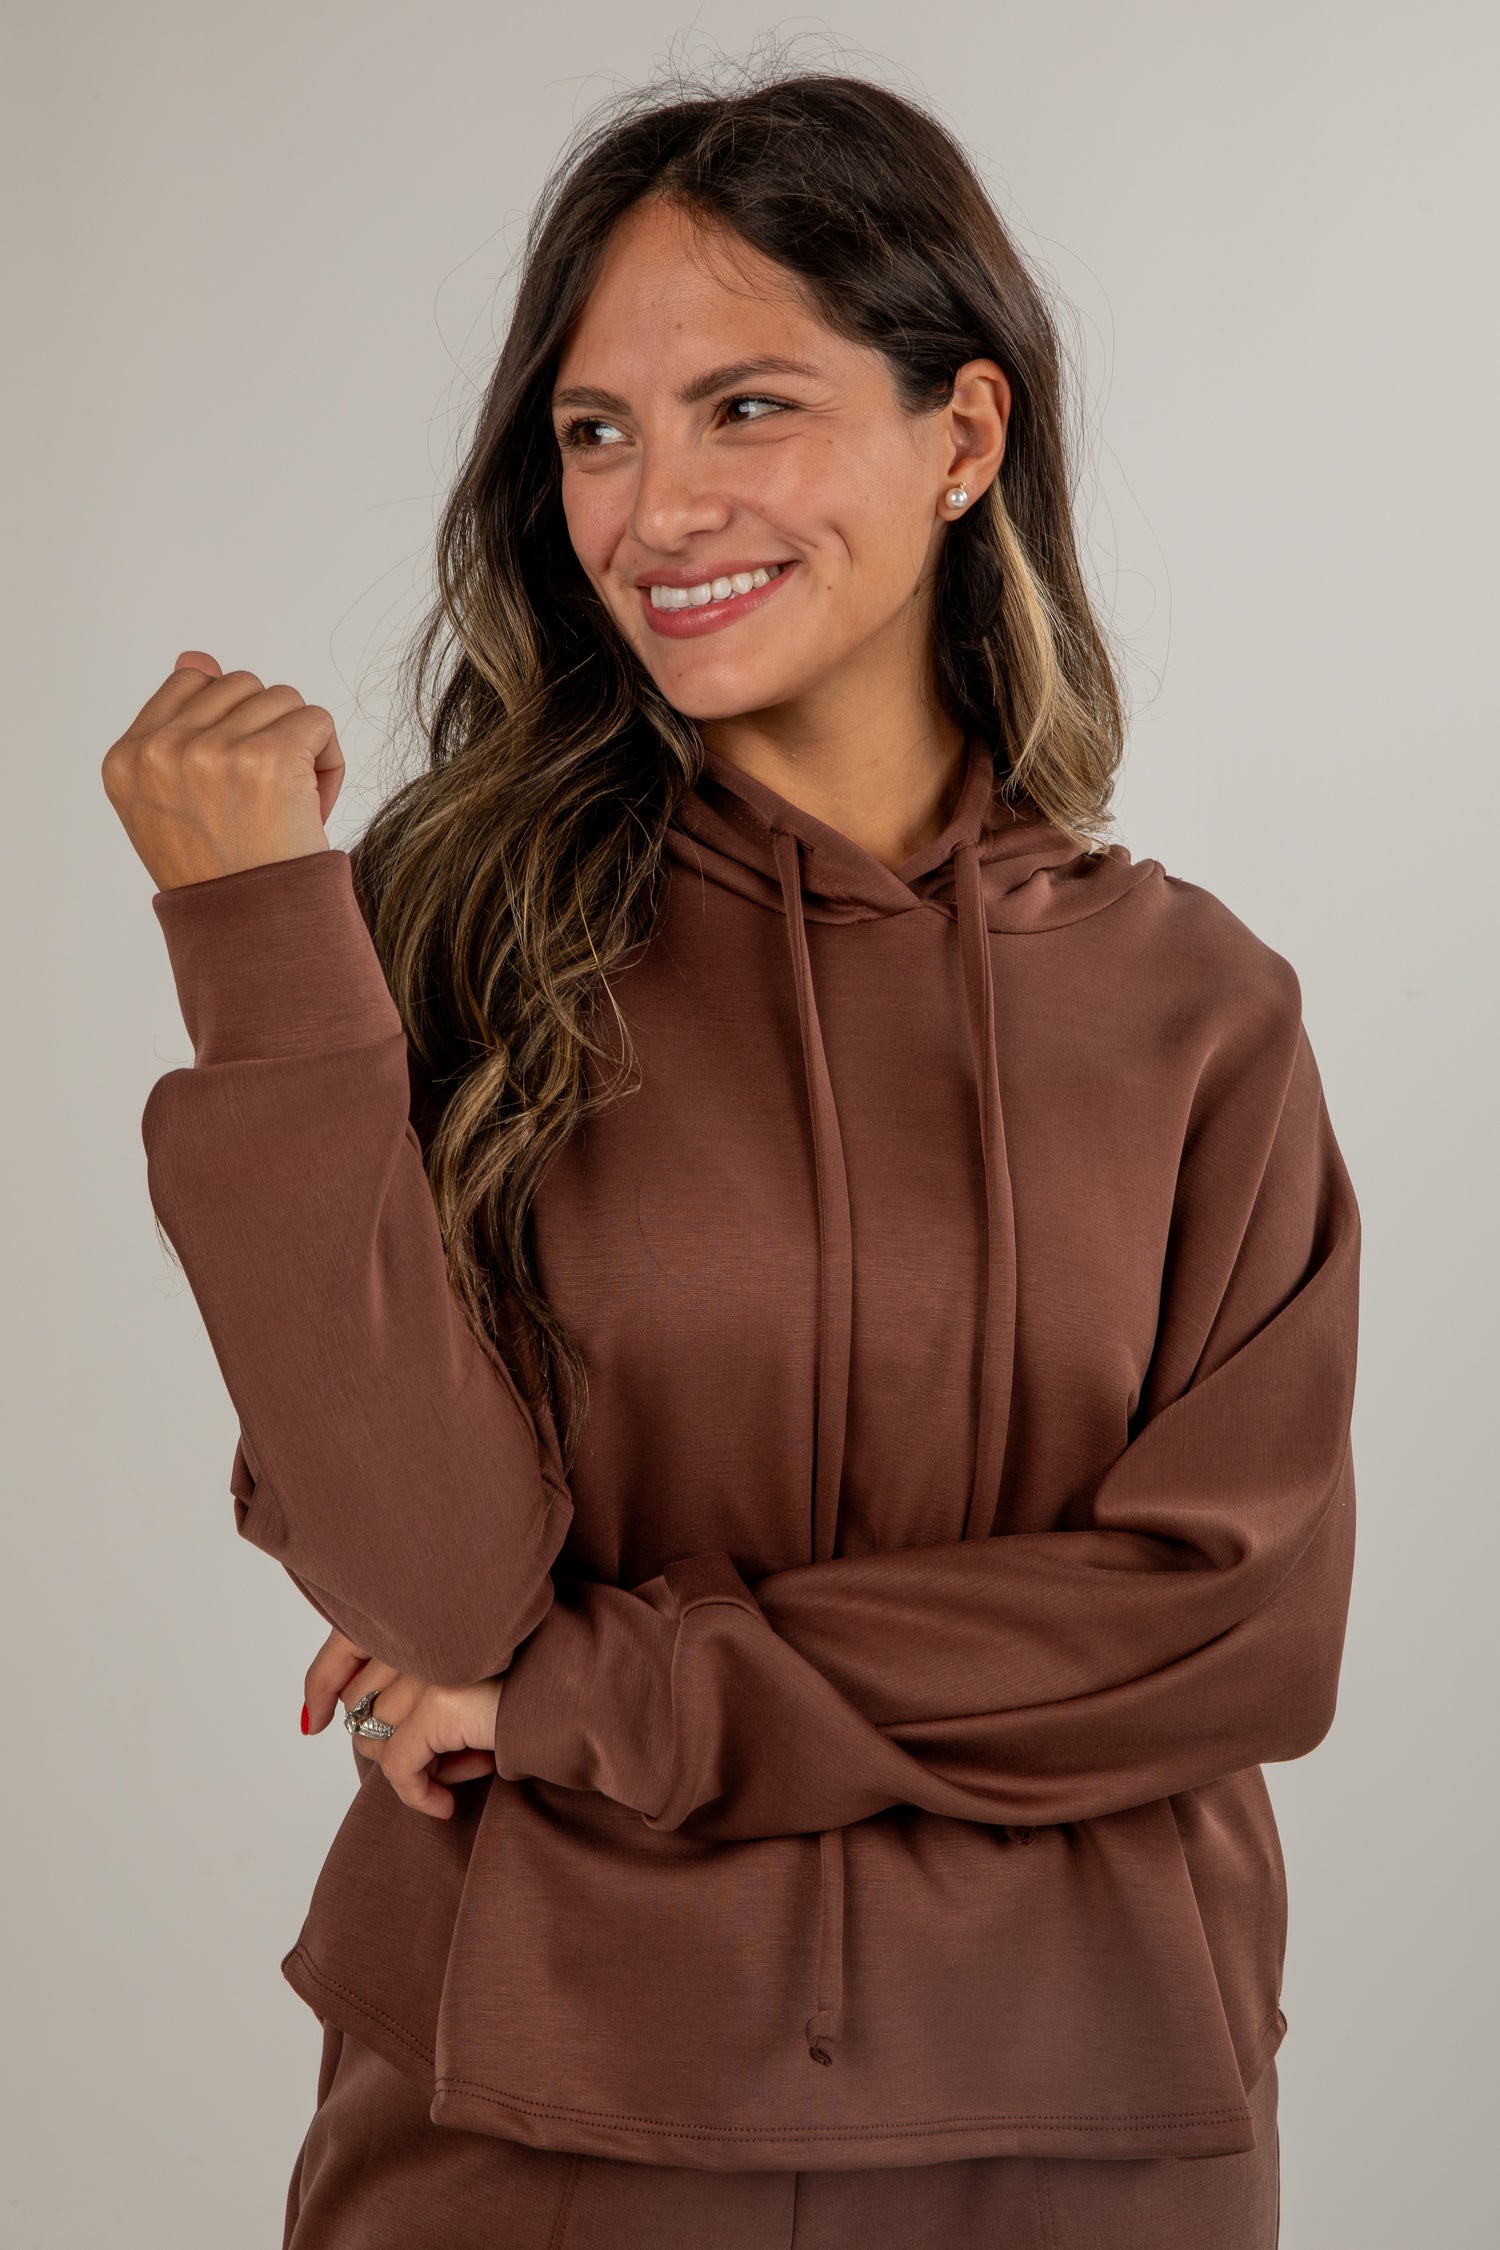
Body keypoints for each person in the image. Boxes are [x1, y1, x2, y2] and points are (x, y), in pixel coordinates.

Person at [101, 67, 1358, 2250]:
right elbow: (433, 1590)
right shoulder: (441, 938)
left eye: (746, 407)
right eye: (597, 431)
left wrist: (595, 1687)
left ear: (963, 435)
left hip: (1083, 2140)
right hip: (532, 2126)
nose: (656, 508)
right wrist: (256, 937)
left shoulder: (1198, 1013)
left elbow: (1230, 1627)